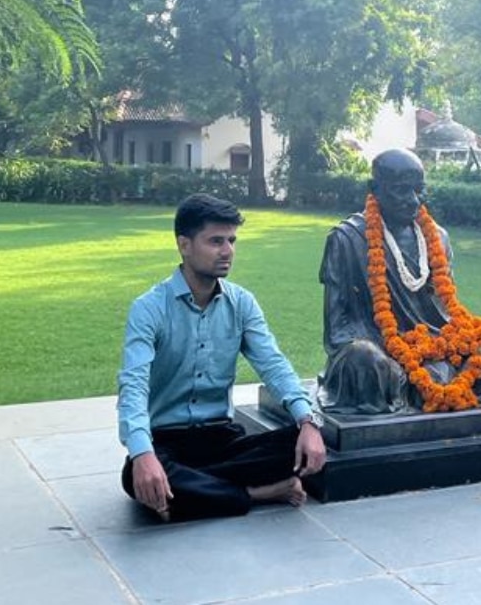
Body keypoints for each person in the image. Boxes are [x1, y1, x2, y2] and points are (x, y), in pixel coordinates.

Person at [117, 193, 326, 521]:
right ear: (184, 245)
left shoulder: (242, 303)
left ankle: (191, 492)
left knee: (297, 445)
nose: (228, 251)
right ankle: (256, 493)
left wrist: (307, 421)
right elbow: (133, 386)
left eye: (231, 240)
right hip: (166, 441)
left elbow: (273, 365)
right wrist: (143, 453)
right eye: (216, 241)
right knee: (135, 475)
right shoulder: (148, 309)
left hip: (221, 439)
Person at [318, 148, 481, 413]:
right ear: (374, 188)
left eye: (419, 190)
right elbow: (338, 328)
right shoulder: (347, 239)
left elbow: (447, 310)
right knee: (363, 359)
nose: (413, 201)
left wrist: (439, 357)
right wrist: (394, 355)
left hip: (441, 343)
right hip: (383, 346)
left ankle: (437, 392)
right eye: (401, 190)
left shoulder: (437, 237)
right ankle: (416, 390)